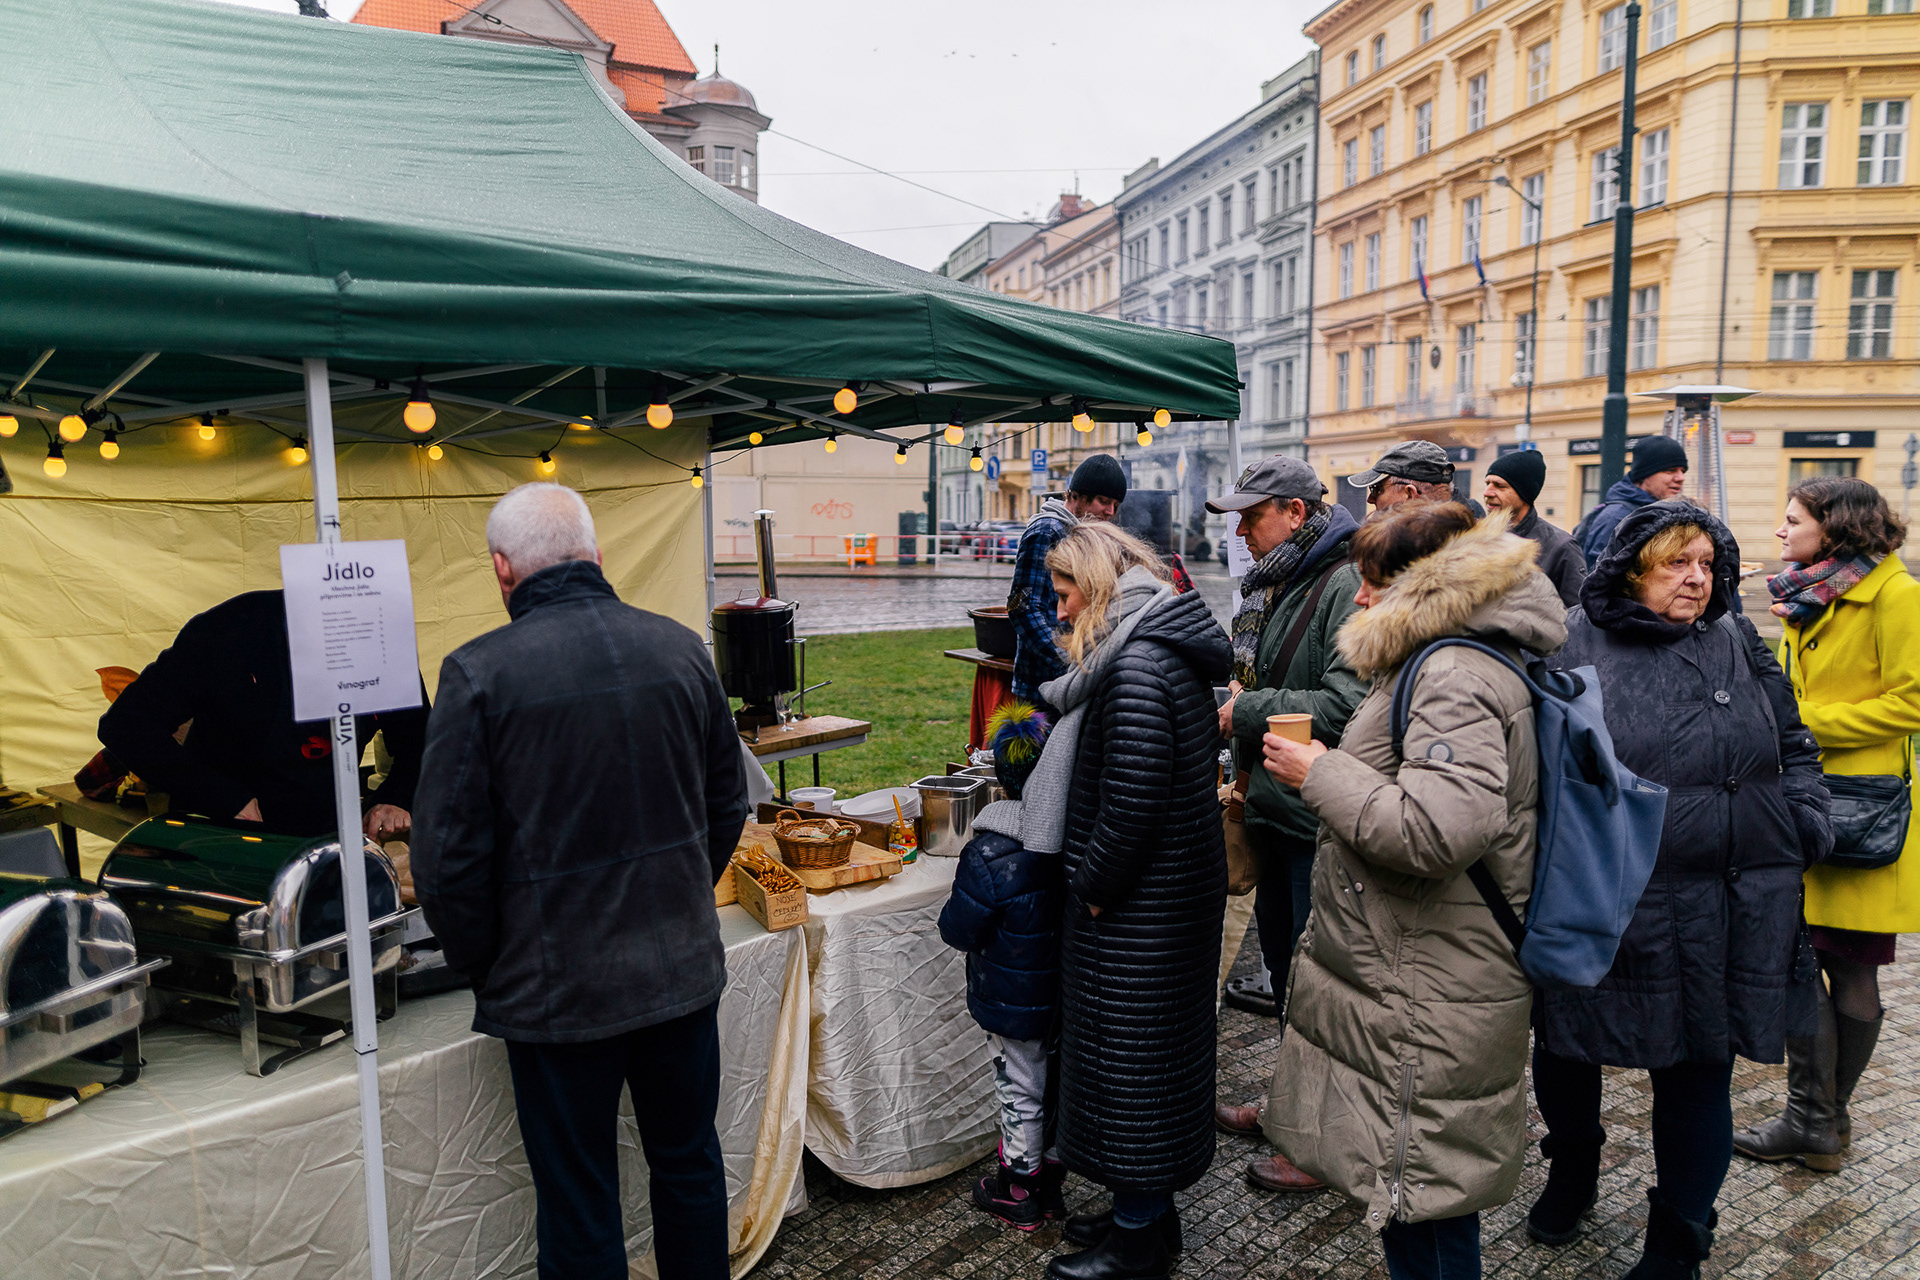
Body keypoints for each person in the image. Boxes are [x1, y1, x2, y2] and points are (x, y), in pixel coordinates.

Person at [410, 483, 748, 1280]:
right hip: (676, 970)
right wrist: (680, 899)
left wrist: (487, 963)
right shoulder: (680, 648)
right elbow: (728, 803)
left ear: (502, 570)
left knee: (580, 1202)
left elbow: (445, 861)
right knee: (689, 1165)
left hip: (557, 991)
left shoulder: (479, 673)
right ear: (595, 555)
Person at [1260, 502, 1567, 1280]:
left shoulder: (1452, 673)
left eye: (1372, 583)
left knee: (1422, 1193)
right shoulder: (1448, 656)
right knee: (1418, 1187)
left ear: (1423, 585)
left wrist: (1320, 772)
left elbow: (1438, 831)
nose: (1359, 598)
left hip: (1434, 976)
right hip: (1431, 964)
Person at [1527, 501, 1830, 1280]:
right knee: (1568, 1045)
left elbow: (1794, 739)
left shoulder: (1732, 634)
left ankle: (1678, 1242)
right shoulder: (1569, 637)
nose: (1698, 579)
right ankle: (1573, 1170)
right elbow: (1535, 761)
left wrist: (1802, 819)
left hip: (1726, 898)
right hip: (1609, 893)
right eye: (1676, 563)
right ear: (1633, 569)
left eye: (1707, 564)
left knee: (1700, 1069)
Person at [1024, 522, 1230, 1280]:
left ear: (1098, 586)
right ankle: (1147, 1214)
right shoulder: (1150, 642)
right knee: (1153, 1061)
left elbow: (1134, 801)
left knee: (1133, 1070)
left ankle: (1137, 1243)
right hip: (1166, 900)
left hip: (1142, 908)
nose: (1060, 610)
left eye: (1066, 593)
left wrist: (1092, 888)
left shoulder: (1136, 663)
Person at [1735, 478, 1917, 1169]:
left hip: (1863, 806)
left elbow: (1913, 701)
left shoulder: (1895, 596)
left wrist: (1804, 724)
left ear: (1834, 527)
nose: (1781, 531)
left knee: (1850, 965)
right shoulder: (1809, 595)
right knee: (1800, 955)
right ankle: (1820, 1122)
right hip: (1806, 802)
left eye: (1793, 520)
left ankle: (1816, 1120)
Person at [1202, 458, 1365, 1193]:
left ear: (1296, 513)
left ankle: (1323, 1143)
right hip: (1276, 809)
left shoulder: (1341, 582)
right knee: (1286, 979)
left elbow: (1343, 706)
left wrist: (1247, 710)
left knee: (1316, 987)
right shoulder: (1281, 580)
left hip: (1314, 822)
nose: (1239, 530)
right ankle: (1292, 1111)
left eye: (1251, 515)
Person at [99, 589, 426, 839]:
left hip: (326, 833)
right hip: (218, 833)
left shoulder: (381, 642)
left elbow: (424, 742)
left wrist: (396, 798)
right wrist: (223, 798)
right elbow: (125, 724)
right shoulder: (229, 634)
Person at [939, 700, 1066, 1231]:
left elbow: (957, 929)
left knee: (1019, 1090)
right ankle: (1050, 1183)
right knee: (1053, 1087)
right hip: (1061, 994)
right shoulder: (1068, 839)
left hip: (1011, 1002)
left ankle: (1018, 1188)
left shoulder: (988, 853)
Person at [1008, 454, 1127, 714]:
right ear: (1076, 496)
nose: (1110, 512)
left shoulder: (1088, 536)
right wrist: (1067, 660)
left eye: (1116, 505)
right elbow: (1023, 609)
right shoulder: (1048, 531)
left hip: (1075, 680)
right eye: (1103, 501)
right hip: (1042, 687)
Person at [1482, 448, 1586, 606]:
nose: (1487, 492)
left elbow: (1577, 610)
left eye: (1499, 486)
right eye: (1487, 483)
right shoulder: (1477, 536)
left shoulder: (1562, 547)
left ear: (1524, 493)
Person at [1577, 435, 1688, 567]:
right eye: (1670, 471)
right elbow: (1599, 572)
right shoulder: (1617, 517)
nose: (1681, 478)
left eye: (1682, 471)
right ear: (1644, 474)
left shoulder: (1659, 511)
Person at [1344, 440, 1458, 513]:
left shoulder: (1406, 543)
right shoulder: (1461, 535)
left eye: (1376, 489)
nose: (1370, 500)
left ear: (1409, 494)